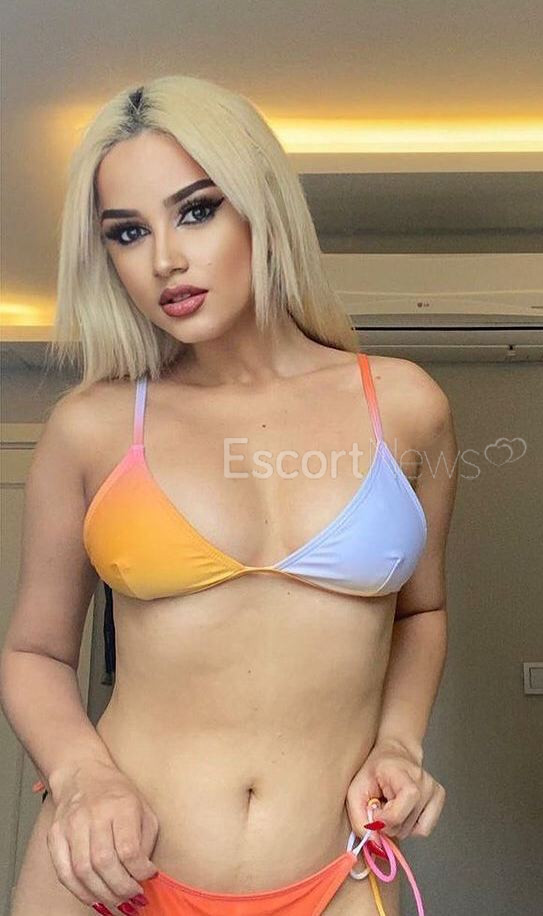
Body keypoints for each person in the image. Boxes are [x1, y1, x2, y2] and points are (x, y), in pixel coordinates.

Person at [0, 74, 457, 915]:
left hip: (336, 872)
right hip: (112, 875)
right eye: (128, 232)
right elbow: (33, 652)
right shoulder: (93, 427)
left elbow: (421, 612)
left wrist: (398, 741)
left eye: (197, 211)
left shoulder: (403, 407)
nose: (164, 260)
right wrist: (83, 775)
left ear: (261, 208)